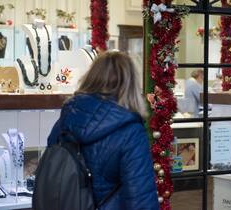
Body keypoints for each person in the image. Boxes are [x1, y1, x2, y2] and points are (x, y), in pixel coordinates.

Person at [47, 51, 159, 210]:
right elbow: (141, 199)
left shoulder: (67, 117)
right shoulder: (131, 131)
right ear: (131, 85)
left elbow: (53, 161)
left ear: (92, 77)